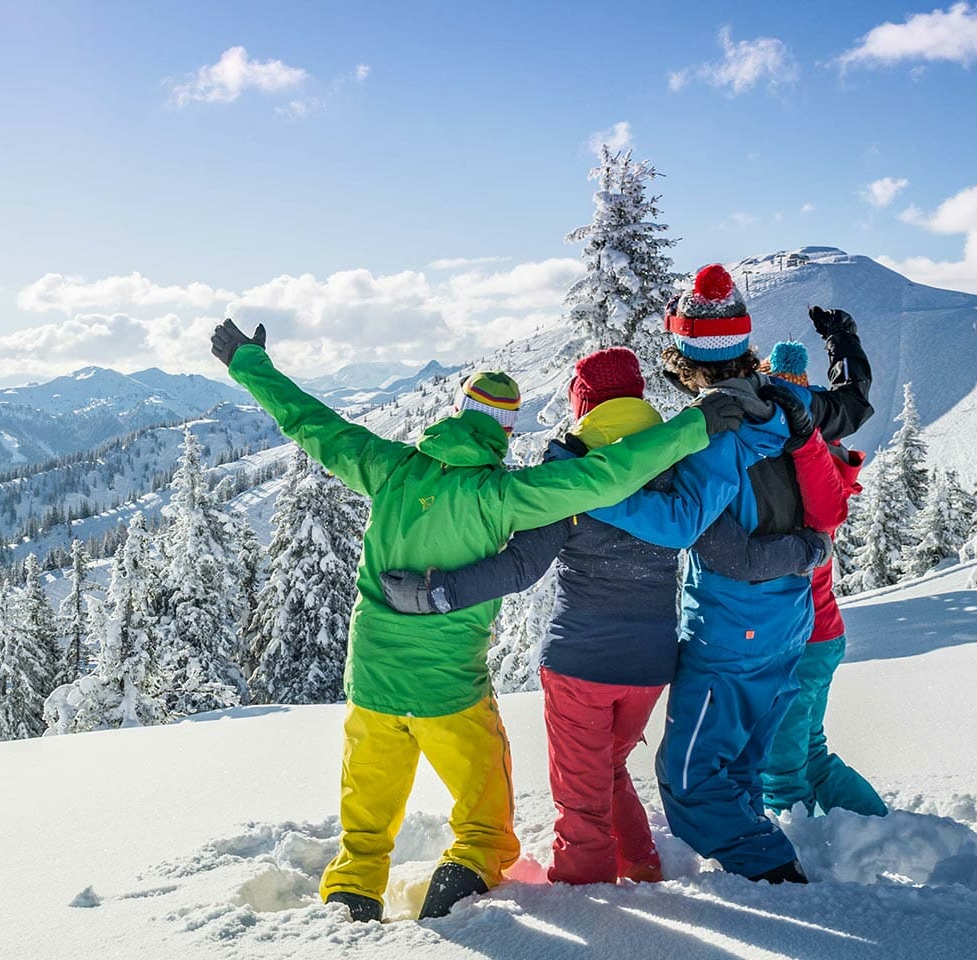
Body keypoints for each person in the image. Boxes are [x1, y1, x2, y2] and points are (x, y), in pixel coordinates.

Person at [209, 319, 754, 923]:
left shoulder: (388, 468)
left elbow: (310, 423)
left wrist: (248, 363)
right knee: (486, 824)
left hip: (371, 683)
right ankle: (464, 876)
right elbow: (606, 476)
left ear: (455, 412)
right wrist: (695, 424)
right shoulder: (506, 496)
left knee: (365, 823)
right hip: (451, 692)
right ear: (507, 429)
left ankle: (353, 895)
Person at [378, 345, 824, 886]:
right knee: (610, 768)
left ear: (582, 405)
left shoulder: (571, 475)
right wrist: (806, 549)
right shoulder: (675, 461)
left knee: (579, 797)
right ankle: (640, 864)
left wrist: (439, 592)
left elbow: (521, 567)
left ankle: (582, 891)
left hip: (579, 664)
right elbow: (720, 541)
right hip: (652, 666)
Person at [587, 264, 874, 884]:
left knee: (688, 777)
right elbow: (850, 406)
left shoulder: (715, 430)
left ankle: (771, 869)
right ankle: (764, 865)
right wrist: (843, 343)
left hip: (733, 627)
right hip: (790, 622)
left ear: (686, 359)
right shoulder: (787, 402)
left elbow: (682, 523)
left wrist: (590, 489)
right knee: (741, 760)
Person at [757, 342, 888, 819]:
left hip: (802, 639)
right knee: (812, 758)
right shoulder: (826, 462)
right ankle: (882, 831)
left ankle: (797, 875)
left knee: (782, 770)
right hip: (822, 636)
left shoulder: (800, 475)